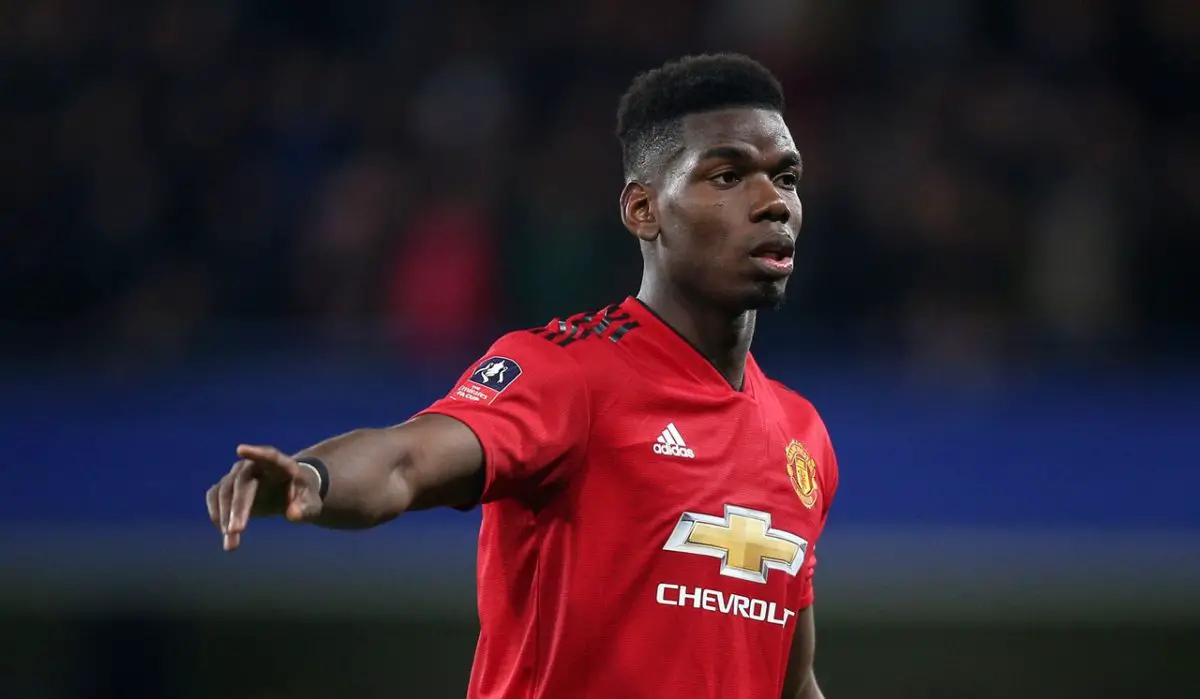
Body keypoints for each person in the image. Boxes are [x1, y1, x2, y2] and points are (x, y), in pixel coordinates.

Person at [205, 52, 839, 699]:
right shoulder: (569, 373)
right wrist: (314, 479)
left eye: (786, 177)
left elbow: (790, 682)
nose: (773, 202)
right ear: (643, 209)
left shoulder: (802, 436)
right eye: (728, 176)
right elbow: (408, 458)